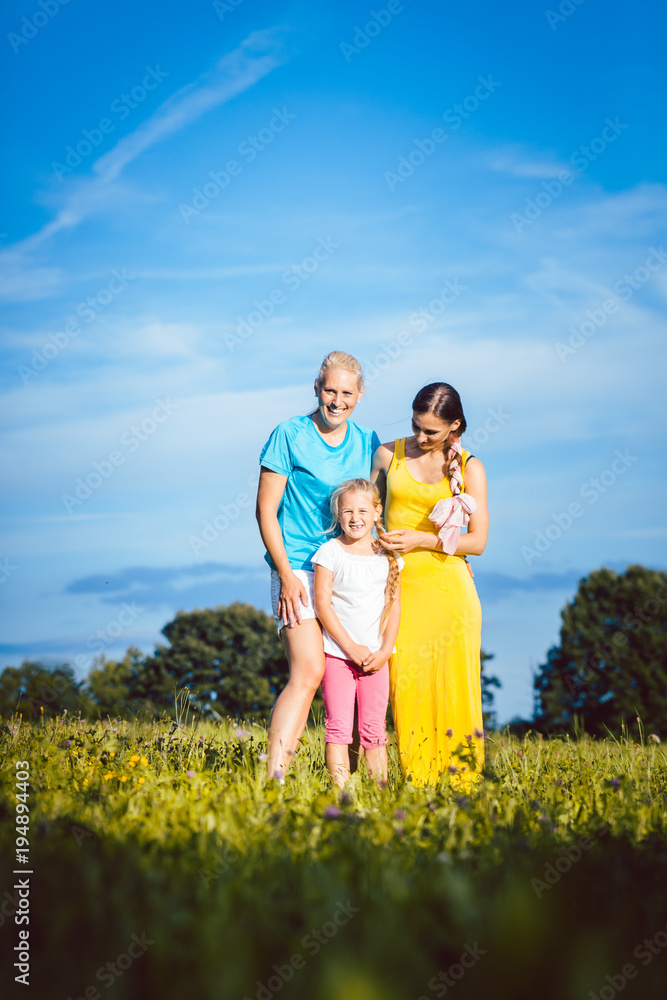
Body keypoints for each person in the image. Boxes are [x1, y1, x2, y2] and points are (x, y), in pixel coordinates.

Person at [255, 352, 380, 778]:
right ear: (316, 386)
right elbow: (265, 512)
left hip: (350, 569)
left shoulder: (368, 442)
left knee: (356, 672)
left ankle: (352, 785)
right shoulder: (289, 434)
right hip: (298, 570)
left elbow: (379, 508)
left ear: (360, 395)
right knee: (309, 669)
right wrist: (286, 575)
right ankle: (274, 778)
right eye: (330, 390)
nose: (337, 400)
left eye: (347, 392)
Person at [371, 382, 489, 788]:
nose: (420, 438)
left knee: (455, 688)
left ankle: (462, 787)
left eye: (431, 432)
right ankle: (418, 785)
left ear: (454, 425)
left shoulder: (471, 467)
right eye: (416, 427)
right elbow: (367, 515)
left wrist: (424, 539)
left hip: (452, 595)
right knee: (407, 686)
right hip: (401, 592)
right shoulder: (388, 455)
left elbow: (478, 542)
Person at [312, 479, 402, 788]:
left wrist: (384, 651)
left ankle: (381, 793)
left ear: (377, 511)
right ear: (337, 514)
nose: (355, 517)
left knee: (374, 731)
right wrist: (351, 648)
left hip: (377, 659)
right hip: (338, 656)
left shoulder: (388, 557)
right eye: (347, 510)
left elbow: (394, 607)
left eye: (363, 510)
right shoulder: (329, 553)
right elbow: (323, 607)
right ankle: (341, 796)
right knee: (338, 728)